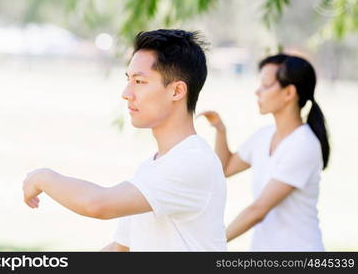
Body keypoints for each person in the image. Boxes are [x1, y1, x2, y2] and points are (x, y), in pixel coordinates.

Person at [22, 29, 227, 251]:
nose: (126, 93)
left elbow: (98, 204)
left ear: (177, 91)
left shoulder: (192, 162)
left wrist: (43, 177)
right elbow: (121, 249)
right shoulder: (152, 167)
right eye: (129, 79)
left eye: (139, 81)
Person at [199, 54, 330, 251]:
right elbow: (224, 168)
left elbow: (258, 210)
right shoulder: (264, 136)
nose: (257, 91)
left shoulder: (304, 145)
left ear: (289, 93)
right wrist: (220, 130)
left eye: (266, 85)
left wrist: (211, 244)